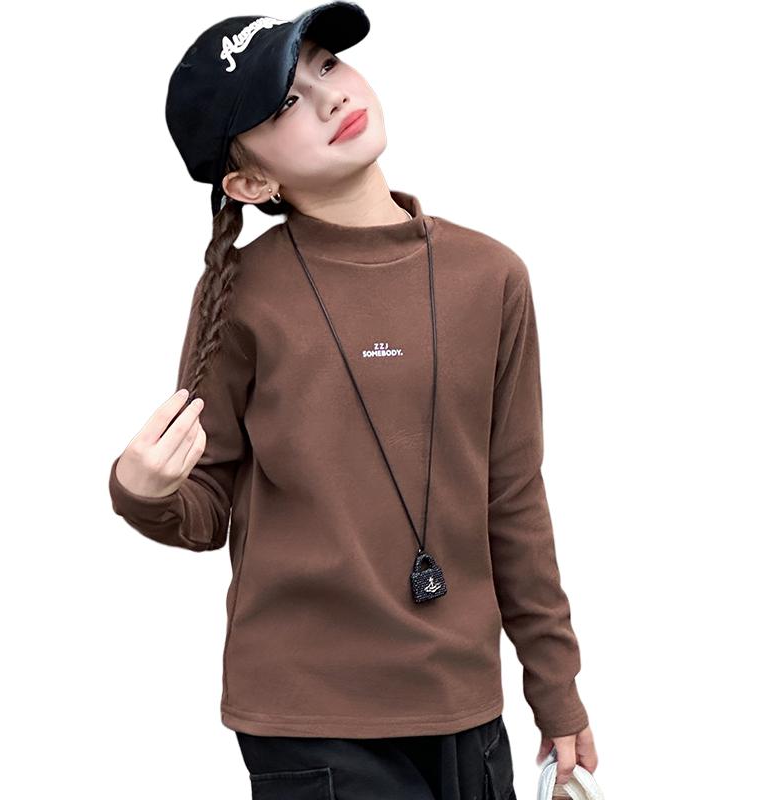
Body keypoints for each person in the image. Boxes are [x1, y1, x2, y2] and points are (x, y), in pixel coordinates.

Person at [107, 3, 599, 798]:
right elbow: (206, 505)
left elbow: (512, 496)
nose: (330, 95)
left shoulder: (491, 276)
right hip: (308, 716)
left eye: (327, 65)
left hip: (465, 703)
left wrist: (556, 685)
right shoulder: (243, 294)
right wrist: (142, 490)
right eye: (285, 102)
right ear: (250, 182)